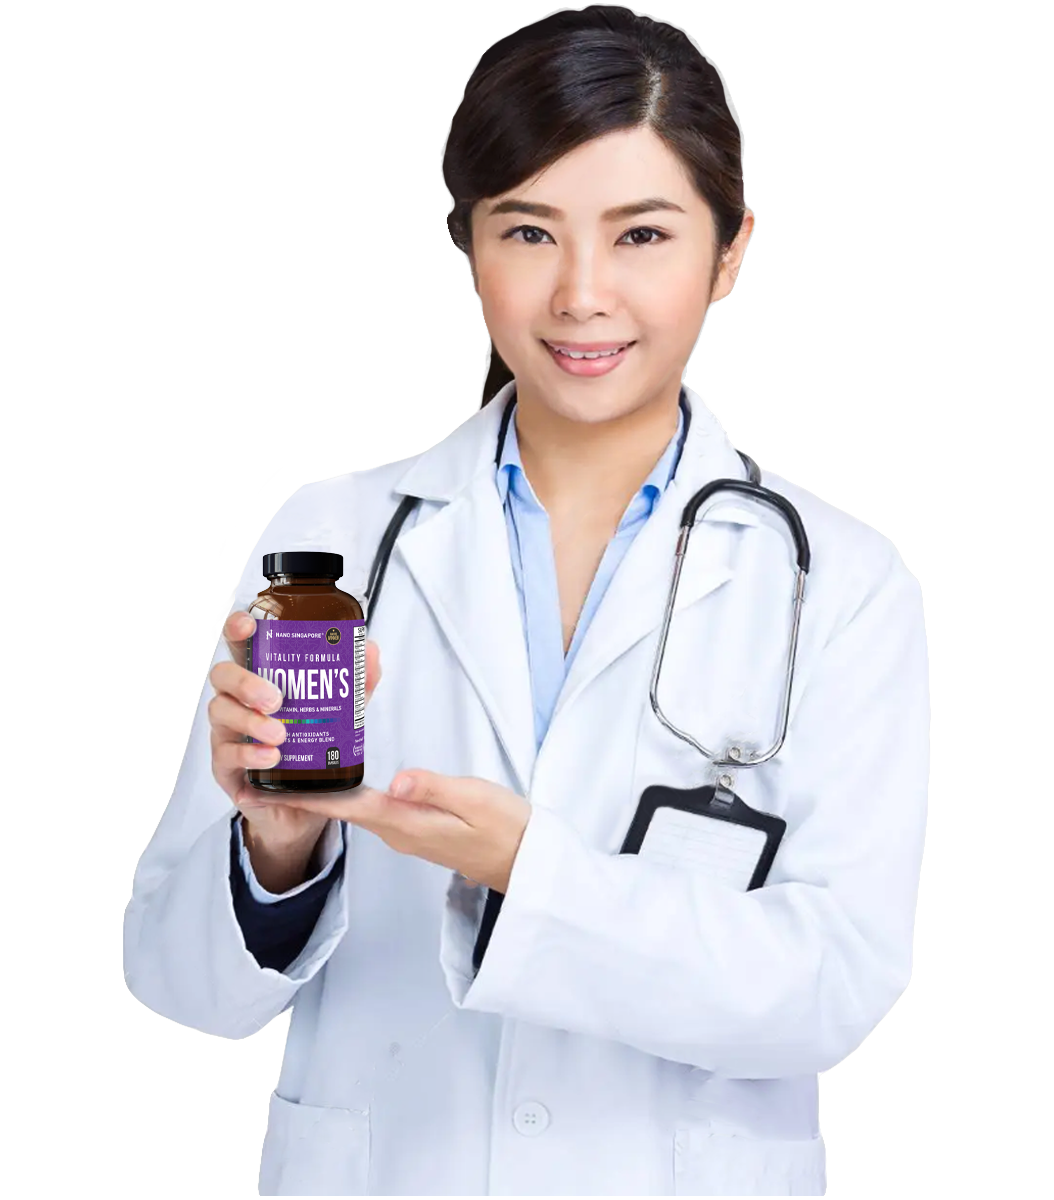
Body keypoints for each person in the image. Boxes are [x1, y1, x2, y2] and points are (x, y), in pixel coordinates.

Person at [123, 5, 930, 1195]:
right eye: (528, 231)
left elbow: (829, 989)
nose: (581, 295)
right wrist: (277, 849)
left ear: (731, 248)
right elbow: (180, 984)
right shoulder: (327, 552)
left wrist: (533, 875)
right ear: (466, 254)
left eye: (643, 234)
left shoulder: (840, 586)